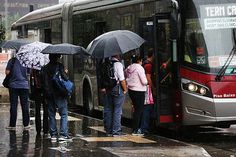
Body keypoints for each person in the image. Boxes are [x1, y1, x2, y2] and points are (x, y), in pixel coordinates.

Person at [42, 54, 71, 142]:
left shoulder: (44, 68)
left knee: (51, 115)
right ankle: (63, 134)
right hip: (60, 93)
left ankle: (53, 135)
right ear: (57, 58)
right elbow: (65, 78)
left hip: (49, 94)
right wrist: (66, 72)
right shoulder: (60, 66)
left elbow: (43, 82)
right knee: (64, 114)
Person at [101, 54, 127, 136]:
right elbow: (122, 79)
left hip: (108, 89)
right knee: (117, 110)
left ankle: (108, 130)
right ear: (117, 55)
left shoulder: (105, 63)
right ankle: (116, 131)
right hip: (117, 89)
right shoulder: (118, 64)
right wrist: (125, 89)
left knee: (109, 109)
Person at [5, 56, 30, 130]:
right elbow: (29, 72)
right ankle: (26, 125)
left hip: (13, 86)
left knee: (13, 105)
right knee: (25, 105)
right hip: (24, 86)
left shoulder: (12, 60)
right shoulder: (26, 60)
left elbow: (7, 72)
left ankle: (12, 125)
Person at [125, 54, 147, 136]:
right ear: (139, 60)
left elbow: (125, 75)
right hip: (139, 91)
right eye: (141, 60)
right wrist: (147, 82)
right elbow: (144, 81)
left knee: (135, 109)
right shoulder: (140, 68)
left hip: (131, 90)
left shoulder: (129, 67)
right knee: (139, 110)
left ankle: (134, 128)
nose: (141, 62)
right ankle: (136, 130)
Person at [30, 69, 49, 136]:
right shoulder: (46, 68)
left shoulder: (33, 70)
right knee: (46, 111)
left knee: (37, 111)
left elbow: (32, 83)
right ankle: (46, 129)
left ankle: (38, 130)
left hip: (37, 92)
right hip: (45, 92)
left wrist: (32, 94)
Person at [141, 49, 155, 135]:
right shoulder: (148, 65)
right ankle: (144, 128)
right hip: (148, 90)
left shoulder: (145, 63)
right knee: (147, 108)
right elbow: (148, 78)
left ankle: (145, 127)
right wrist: (153, 88)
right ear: (153, 55)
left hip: (145, 89)